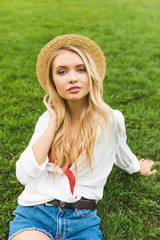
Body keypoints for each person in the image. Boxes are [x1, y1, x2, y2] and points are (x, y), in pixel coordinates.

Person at [8, 34, 156, 240]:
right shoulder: (46, 120)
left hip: (83, 221)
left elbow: (120, 149)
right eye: (62, 72)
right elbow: (24, 175)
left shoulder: (111, 120)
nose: (72, 78)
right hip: (35, 214)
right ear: (53, 81)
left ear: (91, 75)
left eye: (81, 69)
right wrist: (53, 123)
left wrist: (135, 167)